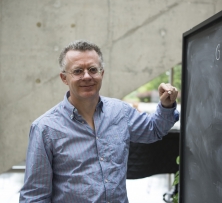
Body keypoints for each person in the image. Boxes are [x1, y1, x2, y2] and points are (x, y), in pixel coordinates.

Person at [19, 40, 179, 203]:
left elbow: (153, 130)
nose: (87, 76)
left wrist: (166, 105)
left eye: (93, 69)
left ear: (102, 73)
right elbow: (35, 195)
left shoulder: (120, 112)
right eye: (78, 71)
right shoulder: (45, 128)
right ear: (64, 78)